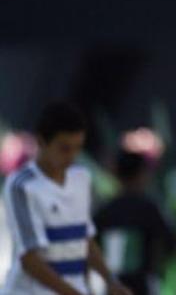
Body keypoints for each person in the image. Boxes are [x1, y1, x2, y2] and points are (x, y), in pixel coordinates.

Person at [2, 102, 131, 295]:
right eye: (64, 148)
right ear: (42, 142)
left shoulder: (81, 177)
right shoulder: (20, 185)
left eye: (77, 147)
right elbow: (29, 260)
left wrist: (110, 280)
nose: (72, 156)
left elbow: (84, 239)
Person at [94, 150, 176, 295]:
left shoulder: (105, 211)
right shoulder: (149, 209)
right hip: (143, 284)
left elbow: (92, 247)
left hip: (112, 286)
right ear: (142, 174)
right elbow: (170, 243)